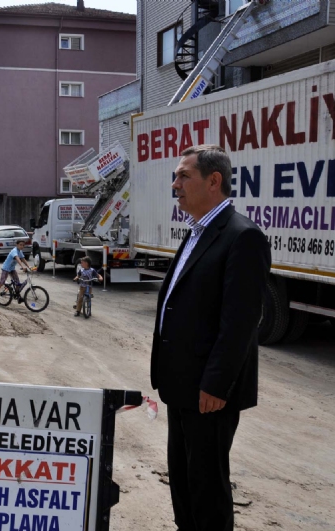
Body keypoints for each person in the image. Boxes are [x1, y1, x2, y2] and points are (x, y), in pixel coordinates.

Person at [151, 145, 270, 531]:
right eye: (176, 176)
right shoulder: (197, 232)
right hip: (181, 384)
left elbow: (240, 322)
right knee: (183, 481)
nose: (175, 184)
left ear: (213, 181)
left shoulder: (242, 237)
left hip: (209, 393)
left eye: (184, 176)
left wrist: (217, 384)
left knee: (207, 488)